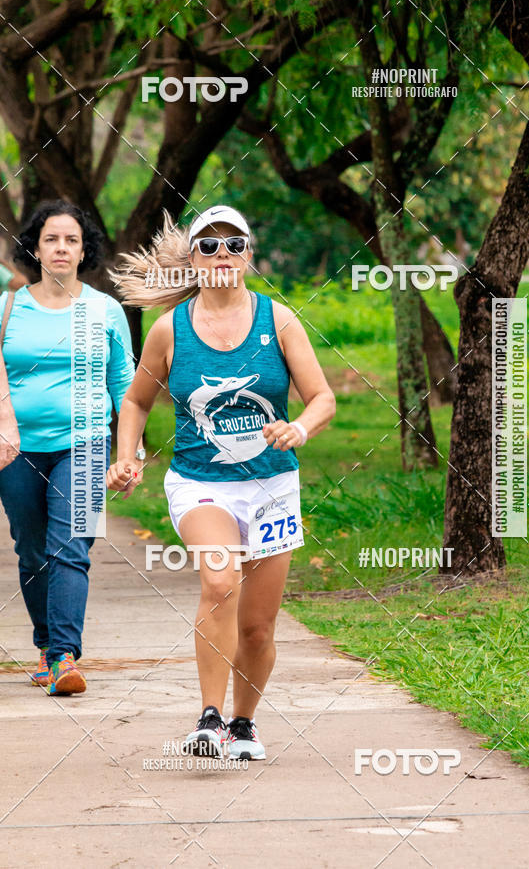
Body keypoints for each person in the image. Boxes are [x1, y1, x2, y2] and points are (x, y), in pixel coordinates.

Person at [107, 205, 335, 759]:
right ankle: (208, 719)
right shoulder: (171, 329)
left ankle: (242, 724)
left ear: (249, 254)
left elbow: (322, 398)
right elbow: (137, 400)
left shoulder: (278, 321)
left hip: (272, 487)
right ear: (193, 259)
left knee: (257, 628)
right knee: (219, 580)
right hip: (199, 483)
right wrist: (129, 455)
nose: (222, 254)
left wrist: (299, 429)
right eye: (208, 246)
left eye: (234, 243)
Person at [0, 200, 140, 695]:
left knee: (71, 547)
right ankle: (46, 646)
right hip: (15, 450)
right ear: (35, 248)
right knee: (31, 548)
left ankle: (63, 656)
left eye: (72, 240)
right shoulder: (8, 306)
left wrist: (130, 453)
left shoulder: (105, 310)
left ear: (85, 251)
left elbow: (127, 386)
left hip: (84, 444)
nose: (61, 248)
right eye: (52, 239)